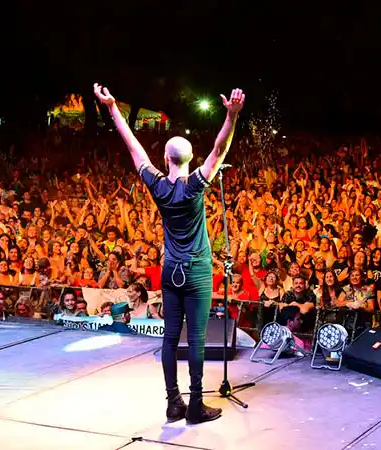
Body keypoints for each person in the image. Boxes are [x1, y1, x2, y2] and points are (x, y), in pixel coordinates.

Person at [94, 82, 245, 424]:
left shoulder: (158, 185)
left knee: (170, 338)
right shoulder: (195, 186)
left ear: (165, 158)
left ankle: (173, 403)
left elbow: (132, 146)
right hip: (196, 271)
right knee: (196, 340)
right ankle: (194, 406)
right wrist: (232, 116)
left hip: (170, 270)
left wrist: (113, 108)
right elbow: (220, 149)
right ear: (192, 159)